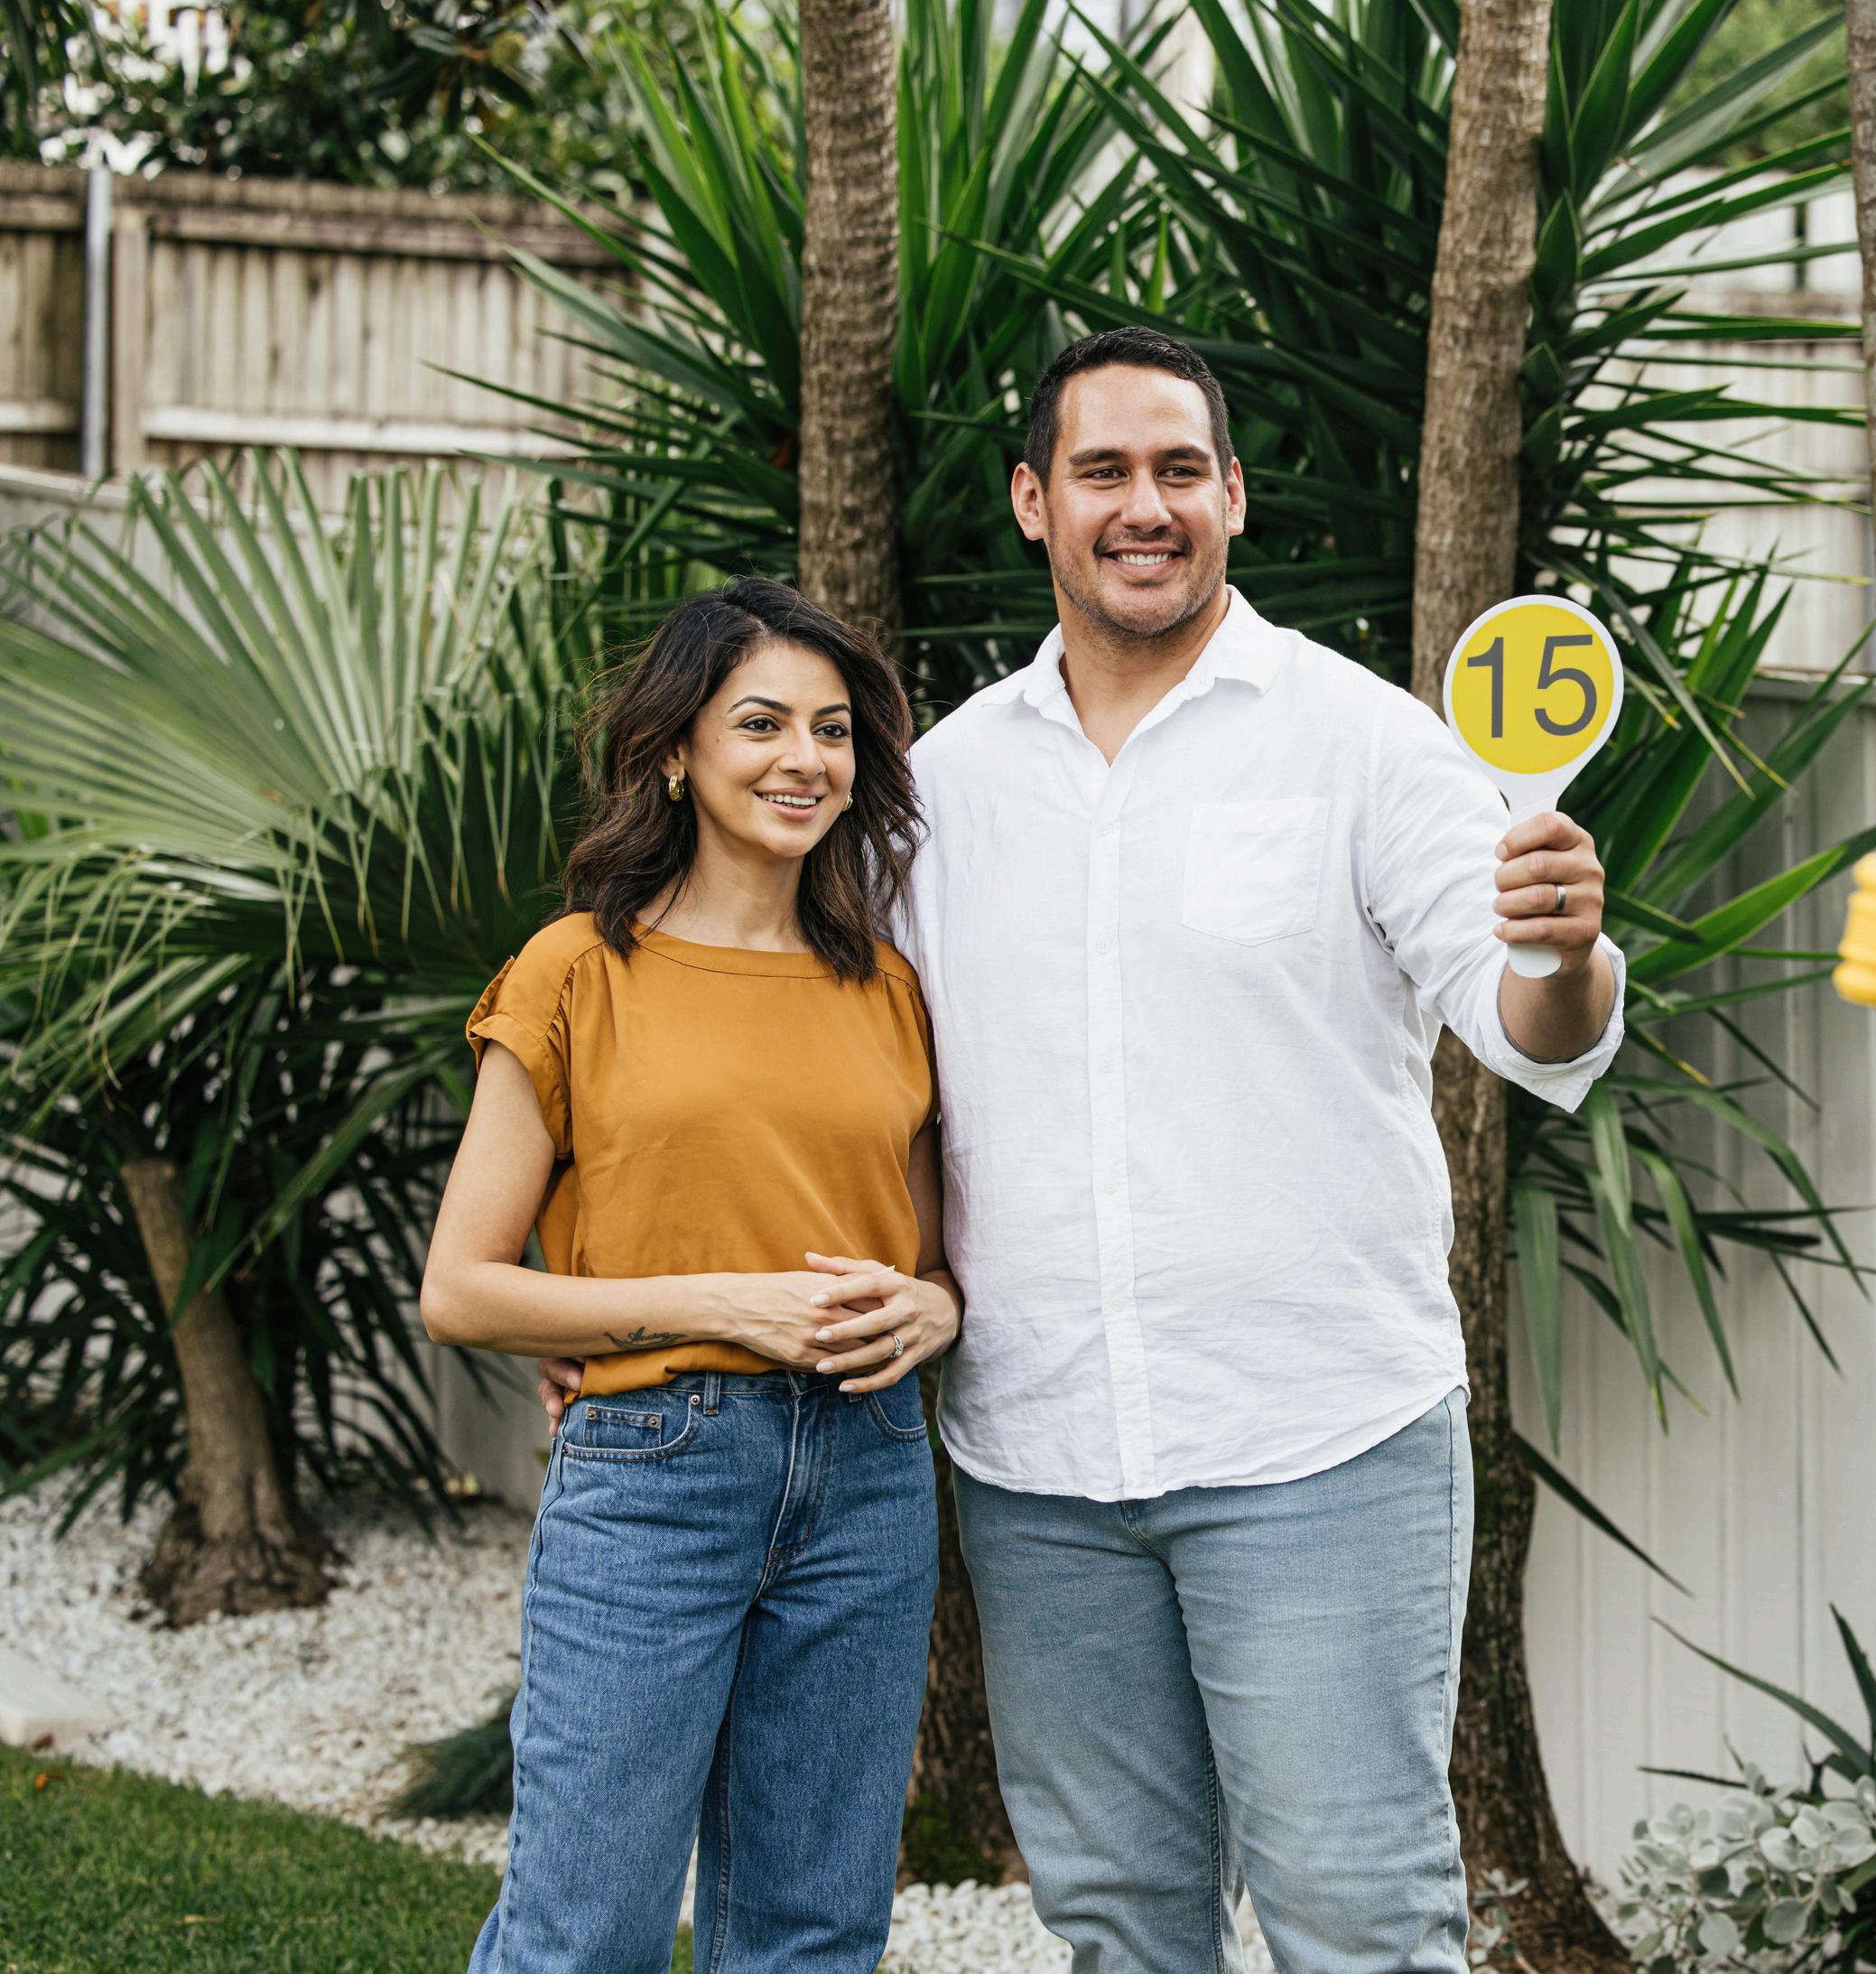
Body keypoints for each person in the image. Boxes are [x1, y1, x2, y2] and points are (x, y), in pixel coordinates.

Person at [878, 323, 1624, 1974]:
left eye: (1176, 470)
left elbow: (1530, 1029)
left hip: (1319, 1449)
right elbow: (845, 1081)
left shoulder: (1365, 743)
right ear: (1033, 500)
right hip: (1040, 1464)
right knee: (1119, 1931)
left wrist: (1563, 949)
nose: (1141, 506)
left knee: (1360, 1925)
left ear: (1231, 494)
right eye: (1100, 471)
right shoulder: (944, 786)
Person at [423, 579, 961, 1974]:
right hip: (657, 1466)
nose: (805, 759)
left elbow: (924, 1263)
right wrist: (716, 1303)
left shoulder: (884, 986)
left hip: (869, 1471)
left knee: (812, 1931)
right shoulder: (576, 972)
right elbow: (462, 1288)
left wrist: (935, 1306)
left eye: (832, 730)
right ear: (675, 752)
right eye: (761, 723)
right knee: (584, 1929)